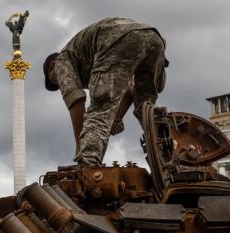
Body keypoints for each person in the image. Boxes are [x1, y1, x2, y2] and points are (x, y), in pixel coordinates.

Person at [43, 17, 168, 166]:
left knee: (99, 109)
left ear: (52, 66)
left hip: (117, 37)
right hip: (154, 38)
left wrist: (80, 147)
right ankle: (170, 156)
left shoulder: (62, 60)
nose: (60, 85)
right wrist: (115, 119)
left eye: (56, 81)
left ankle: (88, 163)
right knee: (146, 110)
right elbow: (130, 91)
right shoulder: (93, 61)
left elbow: (76, 102)